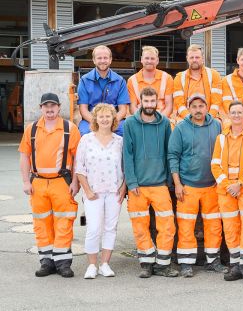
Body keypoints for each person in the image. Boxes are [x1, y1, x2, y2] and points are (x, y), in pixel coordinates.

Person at [18, 93, 81, 278]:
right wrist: (25, 181)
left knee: (64, 221)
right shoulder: (31, 129)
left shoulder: (70, 128)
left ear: (59, 107)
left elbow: (78, 158)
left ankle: (63, 263)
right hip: (37, 183)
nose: (50, 109)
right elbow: (24, 156)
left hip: (62, 182)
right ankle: (46, 261)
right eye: (46, 106)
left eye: (53, 106)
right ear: (41, 108)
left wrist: (76, 182)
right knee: (42, 223)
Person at [168, 93, 225, 277]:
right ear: (189, 108)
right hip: (188, 186)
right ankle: (186, 262)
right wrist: (177, 184)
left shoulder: (217, 125)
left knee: (214, 225)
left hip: (212, 185)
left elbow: (224, 153)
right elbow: (173, 156)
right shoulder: (181, 128)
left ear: (207, 107)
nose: (198, 110)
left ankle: (213, 260)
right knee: (185, 225)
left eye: (201, 106)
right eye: (194, 106)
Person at [123, 87, 178, 278]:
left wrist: (169, 181)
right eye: (146, 102)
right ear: (140, 102)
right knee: (140, 226)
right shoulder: (129, 123)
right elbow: (127, 155)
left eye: (152, 101)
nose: (149, 105)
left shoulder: (164, 124)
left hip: (159, 184)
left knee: (167, 226)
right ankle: (146, 263)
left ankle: (163, 264)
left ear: (158, 102)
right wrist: (131, 182)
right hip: (138, 186)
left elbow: (169, 152)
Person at [211, 101, 243, 285]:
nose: (237, 115)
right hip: (226, 191)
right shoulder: (221, 138)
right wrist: (228, 185)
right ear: (228, 115)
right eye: (233, 112)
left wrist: (239, 184)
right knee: (230, 229)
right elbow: (215, 165)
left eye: (240, 112)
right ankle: (236, 266)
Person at [75, 103, 126, 279]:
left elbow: (126, 167)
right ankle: (91, 265)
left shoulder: (120, 141)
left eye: (108, 116)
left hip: (114, 191)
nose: (104, 119)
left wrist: (123, 187)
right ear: (95, 119)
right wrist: (87, 190)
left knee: (110, 228)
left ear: (113, 119)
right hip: (93, 192)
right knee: (93, 228)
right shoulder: (86, 139)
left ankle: (105, 264)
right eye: (101, 116)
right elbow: (79, 168)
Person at [77, 45, 130, 136]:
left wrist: (111, 123)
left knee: (126, 131)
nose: (102, 61)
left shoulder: (120, 81)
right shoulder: (84, 80)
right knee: (85, 133)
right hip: (91, 119)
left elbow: (122, 110)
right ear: (94, 60)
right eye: (99, 58)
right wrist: (97, 123)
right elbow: (83, 110)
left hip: (114, 120)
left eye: (105, 58)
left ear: (110, 60)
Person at [173, 44, 222, 123]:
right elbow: (179, 104)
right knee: (175, 124)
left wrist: (208, 118)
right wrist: (190, 119)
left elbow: (216, 102)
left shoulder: (214, 75)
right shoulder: (179, 77)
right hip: (186, 118)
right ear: (187, 59)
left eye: (197, 57)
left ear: (202, 58)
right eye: (191, 57)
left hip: (210, 117)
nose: (194, 60)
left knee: (218, 123)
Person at [127, 45, 174, 117]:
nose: (149, 61)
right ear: (141, 60)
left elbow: (169, 106)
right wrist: (143, 120)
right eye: (146, 58)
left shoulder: (167, 78)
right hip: (140, 119)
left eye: (152, 58)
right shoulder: (132, 80)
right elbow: (132, 107)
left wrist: (159, 121)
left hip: (162, 118)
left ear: (157, 61)